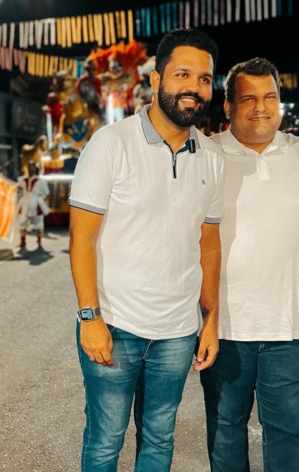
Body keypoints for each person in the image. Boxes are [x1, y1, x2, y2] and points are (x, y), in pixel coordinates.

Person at [69, 28, 223, 472]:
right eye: (183, 74)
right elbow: (82, 240)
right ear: (156, 81)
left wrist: (210, 320)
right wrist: (89, 317)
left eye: (205, 79)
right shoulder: (111, 144)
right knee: (105, 439)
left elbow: (207, 244)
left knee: (159, 438)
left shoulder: (211, 157)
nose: (194, 87)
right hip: (115, 326)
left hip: (177, 333)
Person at [202, 57, 299, 472]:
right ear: (228, 107)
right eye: (248, 98)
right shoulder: (207, 155)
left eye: (270, 97)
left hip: (289, 329)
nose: (260, 107)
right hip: (224, 328)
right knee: (225, 428)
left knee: (288, 430)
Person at [17, 160, 50, 250]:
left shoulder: (40, 180)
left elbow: (46, 192)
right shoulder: (22, 179)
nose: (30, 168)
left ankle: (39, 242)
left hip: (36, 203)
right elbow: (19, 192)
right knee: (22, 222)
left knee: (39, 222)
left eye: (32, 166)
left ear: (35, 168)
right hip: (25, 204)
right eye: (29, 166)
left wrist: (39, 198)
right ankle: (23, 241)